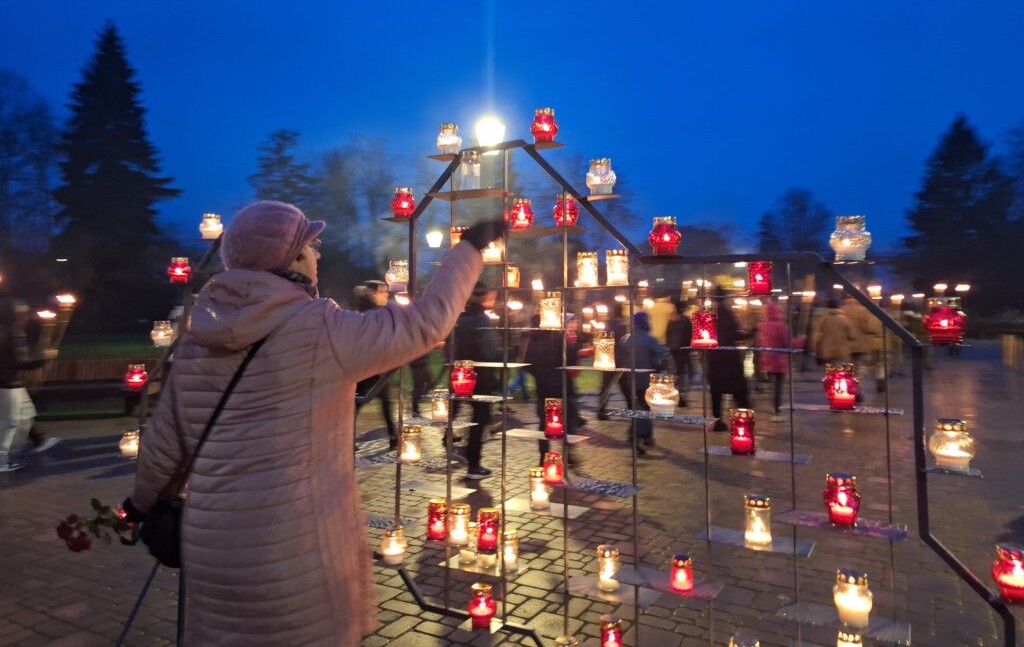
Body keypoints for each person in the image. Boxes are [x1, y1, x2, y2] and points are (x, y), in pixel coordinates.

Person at [124, 201, 501, 646]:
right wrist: (470, 249)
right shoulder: (320, 330)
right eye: (312, 245)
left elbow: (165, 443)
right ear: (293, 259)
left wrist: (140, 506)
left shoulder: (195, 338)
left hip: (212, 543)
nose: (319, 255)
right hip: (293, 548)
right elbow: (424, 325)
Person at [0, 297, 59, 472]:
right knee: (9, 422)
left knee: (26, 413)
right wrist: (44, 360)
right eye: (23, 314)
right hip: (8, 384)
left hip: (11, 382)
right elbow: (19, 362)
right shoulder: (14, 333)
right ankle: (1, 460)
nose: (26, 317)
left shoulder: (6, 331)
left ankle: (39, 440)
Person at [452, 282, 500, 479]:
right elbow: (490, 352)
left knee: (461, 412)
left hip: (461, 375)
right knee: (480, 421)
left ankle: (455, 444)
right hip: (482, 377)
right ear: (484, 298)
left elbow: (450, 347)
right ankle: (474, 465)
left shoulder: (458, 320)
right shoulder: (483, 321)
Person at [524, 313, 583, 465]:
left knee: (543, 422)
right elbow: (571, 357)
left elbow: (528, 363)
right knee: (568, 420)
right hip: (562, 385)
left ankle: (543, 455)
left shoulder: (533, 340)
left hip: (543, 387)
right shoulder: (559, 337)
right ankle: (568, 452)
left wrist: (540, 374)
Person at [615, 311, 671, 452]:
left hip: (629, 380)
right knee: (644, 409)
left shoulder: (626, 340)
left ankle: (643, 436)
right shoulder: (650, 340)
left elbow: (620, 358)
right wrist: (660, 368)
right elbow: (662, 359)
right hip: (647, 379)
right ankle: (639, 436)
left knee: (638, 408)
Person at [352, 280, 398, 448]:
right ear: (371, 294)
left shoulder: (381, 313)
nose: (386, 295)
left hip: (377, 367)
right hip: (365, 367)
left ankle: (393, 436)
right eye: (381, 291)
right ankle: (347, 439)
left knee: (385, 402)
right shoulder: (368, 315)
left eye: (386, 291)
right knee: (356, 404)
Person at [707, 286, 751, 431]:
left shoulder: (709, 315)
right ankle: (743, 419)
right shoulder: (728, 314)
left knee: (716, 391)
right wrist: (750, 333)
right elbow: (734, 334)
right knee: (738, 389)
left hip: (714, 357)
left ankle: (718, 420)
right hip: (729, 356)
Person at [756, 301, 790, 422]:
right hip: (779, 360)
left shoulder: (762, 326)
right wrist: (800, 341)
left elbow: (760, 342)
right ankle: (777, 408)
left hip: (767, 360)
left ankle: (775, 407)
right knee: (779, 385)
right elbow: (786, 343)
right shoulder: (782, 326)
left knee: (773, 385)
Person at [664, 299, 692, 407]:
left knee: (674, 373)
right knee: (683, 374)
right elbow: (689, 335)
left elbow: (667, 334)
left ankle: (675, 394)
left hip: (672, 350)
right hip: (683, 350)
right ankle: (681, 396)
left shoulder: (671, 320)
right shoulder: (685, 321)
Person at [814, 298, 857, 363]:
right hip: (842, 352)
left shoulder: (823, 319)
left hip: (827, 352)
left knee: (831, 371)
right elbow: (852, 335)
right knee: (843, 372)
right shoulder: (844, 318)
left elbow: (817, 336)